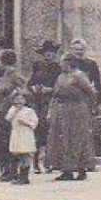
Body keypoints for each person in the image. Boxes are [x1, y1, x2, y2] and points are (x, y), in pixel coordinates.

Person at [47, 54, 98, 182]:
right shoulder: (60, 77)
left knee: (77, 138)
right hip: (63, 110)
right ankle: (66, 171)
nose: (60, 64)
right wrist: (51, 110)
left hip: (77, 110)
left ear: (69, 63)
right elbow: (55, 94)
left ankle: (81, 169)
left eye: (62, 62)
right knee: (63, 139)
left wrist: (90, 107)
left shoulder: (79, 75)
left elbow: (91, 92)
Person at [0, 49, 26, 181]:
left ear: (3, 61)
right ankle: (5, 170)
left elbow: (23, 91)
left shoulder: (14, 75)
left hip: (11, 112)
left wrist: (14, 98)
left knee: (10, 141)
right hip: (2, 111)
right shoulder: (4, 75)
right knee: (2, 142)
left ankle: (12, 171)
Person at [28, 42, 63, 173]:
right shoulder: (37, 67)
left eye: (51, 52)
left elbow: (60, 86)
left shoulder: (58, 68)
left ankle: (51, 163)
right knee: (38, 132)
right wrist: (33, 87)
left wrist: (49, 90)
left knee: (51, 133)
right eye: (46, 52)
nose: (49, 54)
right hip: (38, 102)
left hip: (51, 102)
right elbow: (30, 82)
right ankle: (36, 163)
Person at [5, 87, 39, 185]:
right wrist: (15, 111)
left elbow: (34, 123)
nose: (18, 102)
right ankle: (18, 174)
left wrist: (26, 122)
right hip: (16, 134)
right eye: (16, 99)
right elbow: (8, 118)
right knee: (17, 154)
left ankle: (25, 176)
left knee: (26, 154)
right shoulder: (12, 109)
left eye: (21, 99)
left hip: (26, 134)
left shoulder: (29, 111)